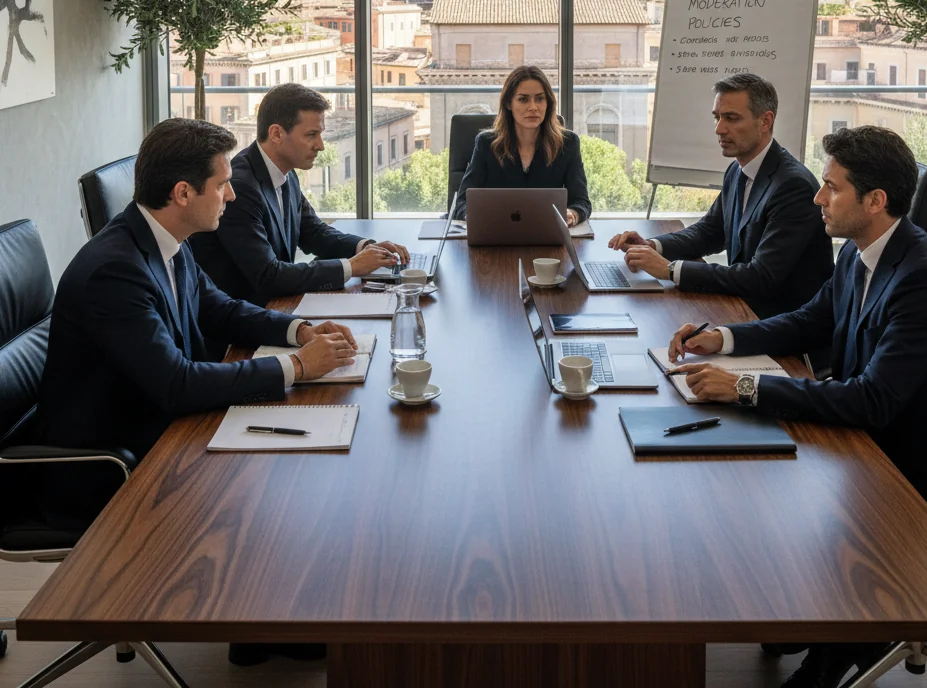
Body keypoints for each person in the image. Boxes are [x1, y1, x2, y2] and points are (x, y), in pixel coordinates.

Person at [668, 125, 927, 688]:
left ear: (875, 201)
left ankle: (833, 650)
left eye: (832, 188)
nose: (818, 197)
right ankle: (807, 617)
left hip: (922, 473)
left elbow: (871, 399)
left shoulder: (924, 281)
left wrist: (744, 388)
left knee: (761, 481)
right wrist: (721, 337)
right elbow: (807, 321)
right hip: (873, 445)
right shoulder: (862, 254)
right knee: (740, 476)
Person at [36, 118, 358, 530]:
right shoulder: (113, 273)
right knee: (269, 515)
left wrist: (300, 331)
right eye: (222, 184)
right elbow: (177, 384)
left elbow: (221, 309)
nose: (232, 194)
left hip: (168, 433)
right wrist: (298, 366)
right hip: (113, 468)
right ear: (183, 193)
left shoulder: (165, 237)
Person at [608, 73, 833, 319]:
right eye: (717, 117)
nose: (719, 129)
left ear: (765, 121)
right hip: (745, 309)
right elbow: (710, 232)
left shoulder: (793, 186)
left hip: (781, 324)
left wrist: (671, 270)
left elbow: (761, 277)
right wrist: (652, 246)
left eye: (731, 118)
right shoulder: (737, 170)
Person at [190, 83, 410, 306]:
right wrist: (351, 267)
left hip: (277, 306)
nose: (320, 146)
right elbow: (268, 276)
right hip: (246, 317)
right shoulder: (241, 187)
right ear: (276, 133)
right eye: (311, 135)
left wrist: (366, 248)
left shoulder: (285, 171)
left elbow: (313, 232)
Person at [453, 65, 591, 225]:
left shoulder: (568, 143)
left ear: (548, 103)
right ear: (508, 103)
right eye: (523, 99)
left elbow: (582, 202)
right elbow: (461, 203)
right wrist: (475, 216)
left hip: (546, 233)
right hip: (496, 233)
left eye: (540, 99)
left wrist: (572, 214)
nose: (533, 107)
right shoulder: (487, 144)